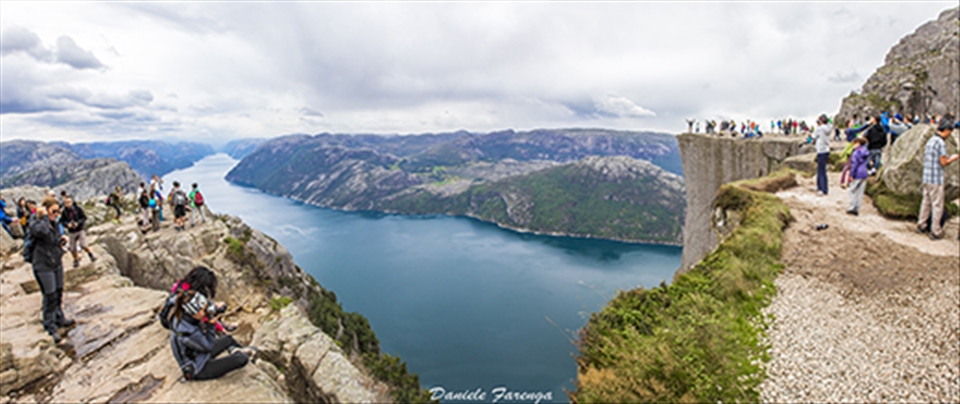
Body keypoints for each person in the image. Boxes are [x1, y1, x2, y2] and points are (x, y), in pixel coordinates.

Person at [169, 266, 257, 381]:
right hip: (197, 369)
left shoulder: (184, 316)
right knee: (241, 359)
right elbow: (208, 345)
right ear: (194, 312)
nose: (204, 312)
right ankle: (239, 355)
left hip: (199, 354)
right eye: (202, 310)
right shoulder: (188, 333)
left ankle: (236, 350)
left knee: (228, 339)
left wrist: (212, 309)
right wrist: (211, 326)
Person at [27, 199, 75, 343]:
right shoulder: (37, 222)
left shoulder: (54, 223)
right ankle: (50, 326)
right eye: (53, 211)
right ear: (46, 210)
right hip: (42, 264)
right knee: (50, 294)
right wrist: (42, 216)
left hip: (55, 261)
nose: (57, 214)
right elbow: (39, 232)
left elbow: (52, 239)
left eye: (58, 211)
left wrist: (61, 240)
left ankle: (59, 317)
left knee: (59, 290)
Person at [916, 119, 960, 240]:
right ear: (945, 131)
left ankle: (921, 224)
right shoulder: (941, 143)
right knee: (937, 205)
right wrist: (953, 158)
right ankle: (936, 230)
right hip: (935, 178)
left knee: (925, 202)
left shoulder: (930, 141)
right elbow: (943, 162)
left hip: (926, 176)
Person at [60, 196, 96, 268]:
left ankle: (90, 254)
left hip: (80, 229)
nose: (68, 204)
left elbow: (84, 217)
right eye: (66, 203)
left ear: (72, 202)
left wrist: (78, 223)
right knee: (72, 248)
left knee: (83, 244)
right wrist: (67, 225)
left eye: (69, 202)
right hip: (71, 231)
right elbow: (62, 221)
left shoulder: (77, 209)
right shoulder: (64, 212)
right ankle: (76, 260)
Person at [846, 137, 870, 216]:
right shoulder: (865, 151)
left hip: (857, 173)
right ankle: (857, 208)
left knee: (851, 190)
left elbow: (854, 164)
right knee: (860, 192)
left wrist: (852, 175)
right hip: (864, 173)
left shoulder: (856, 153)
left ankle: (852, 206)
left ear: (857, 143)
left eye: (853, 144)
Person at [813, 114, 833, 196]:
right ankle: (819, 186)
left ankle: (823, 189)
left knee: (821, 171)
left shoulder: (820, 129)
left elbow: (813, 136)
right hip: (826, 150)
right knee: (820, 169)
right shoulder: (829, 127)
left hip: (821, 151)